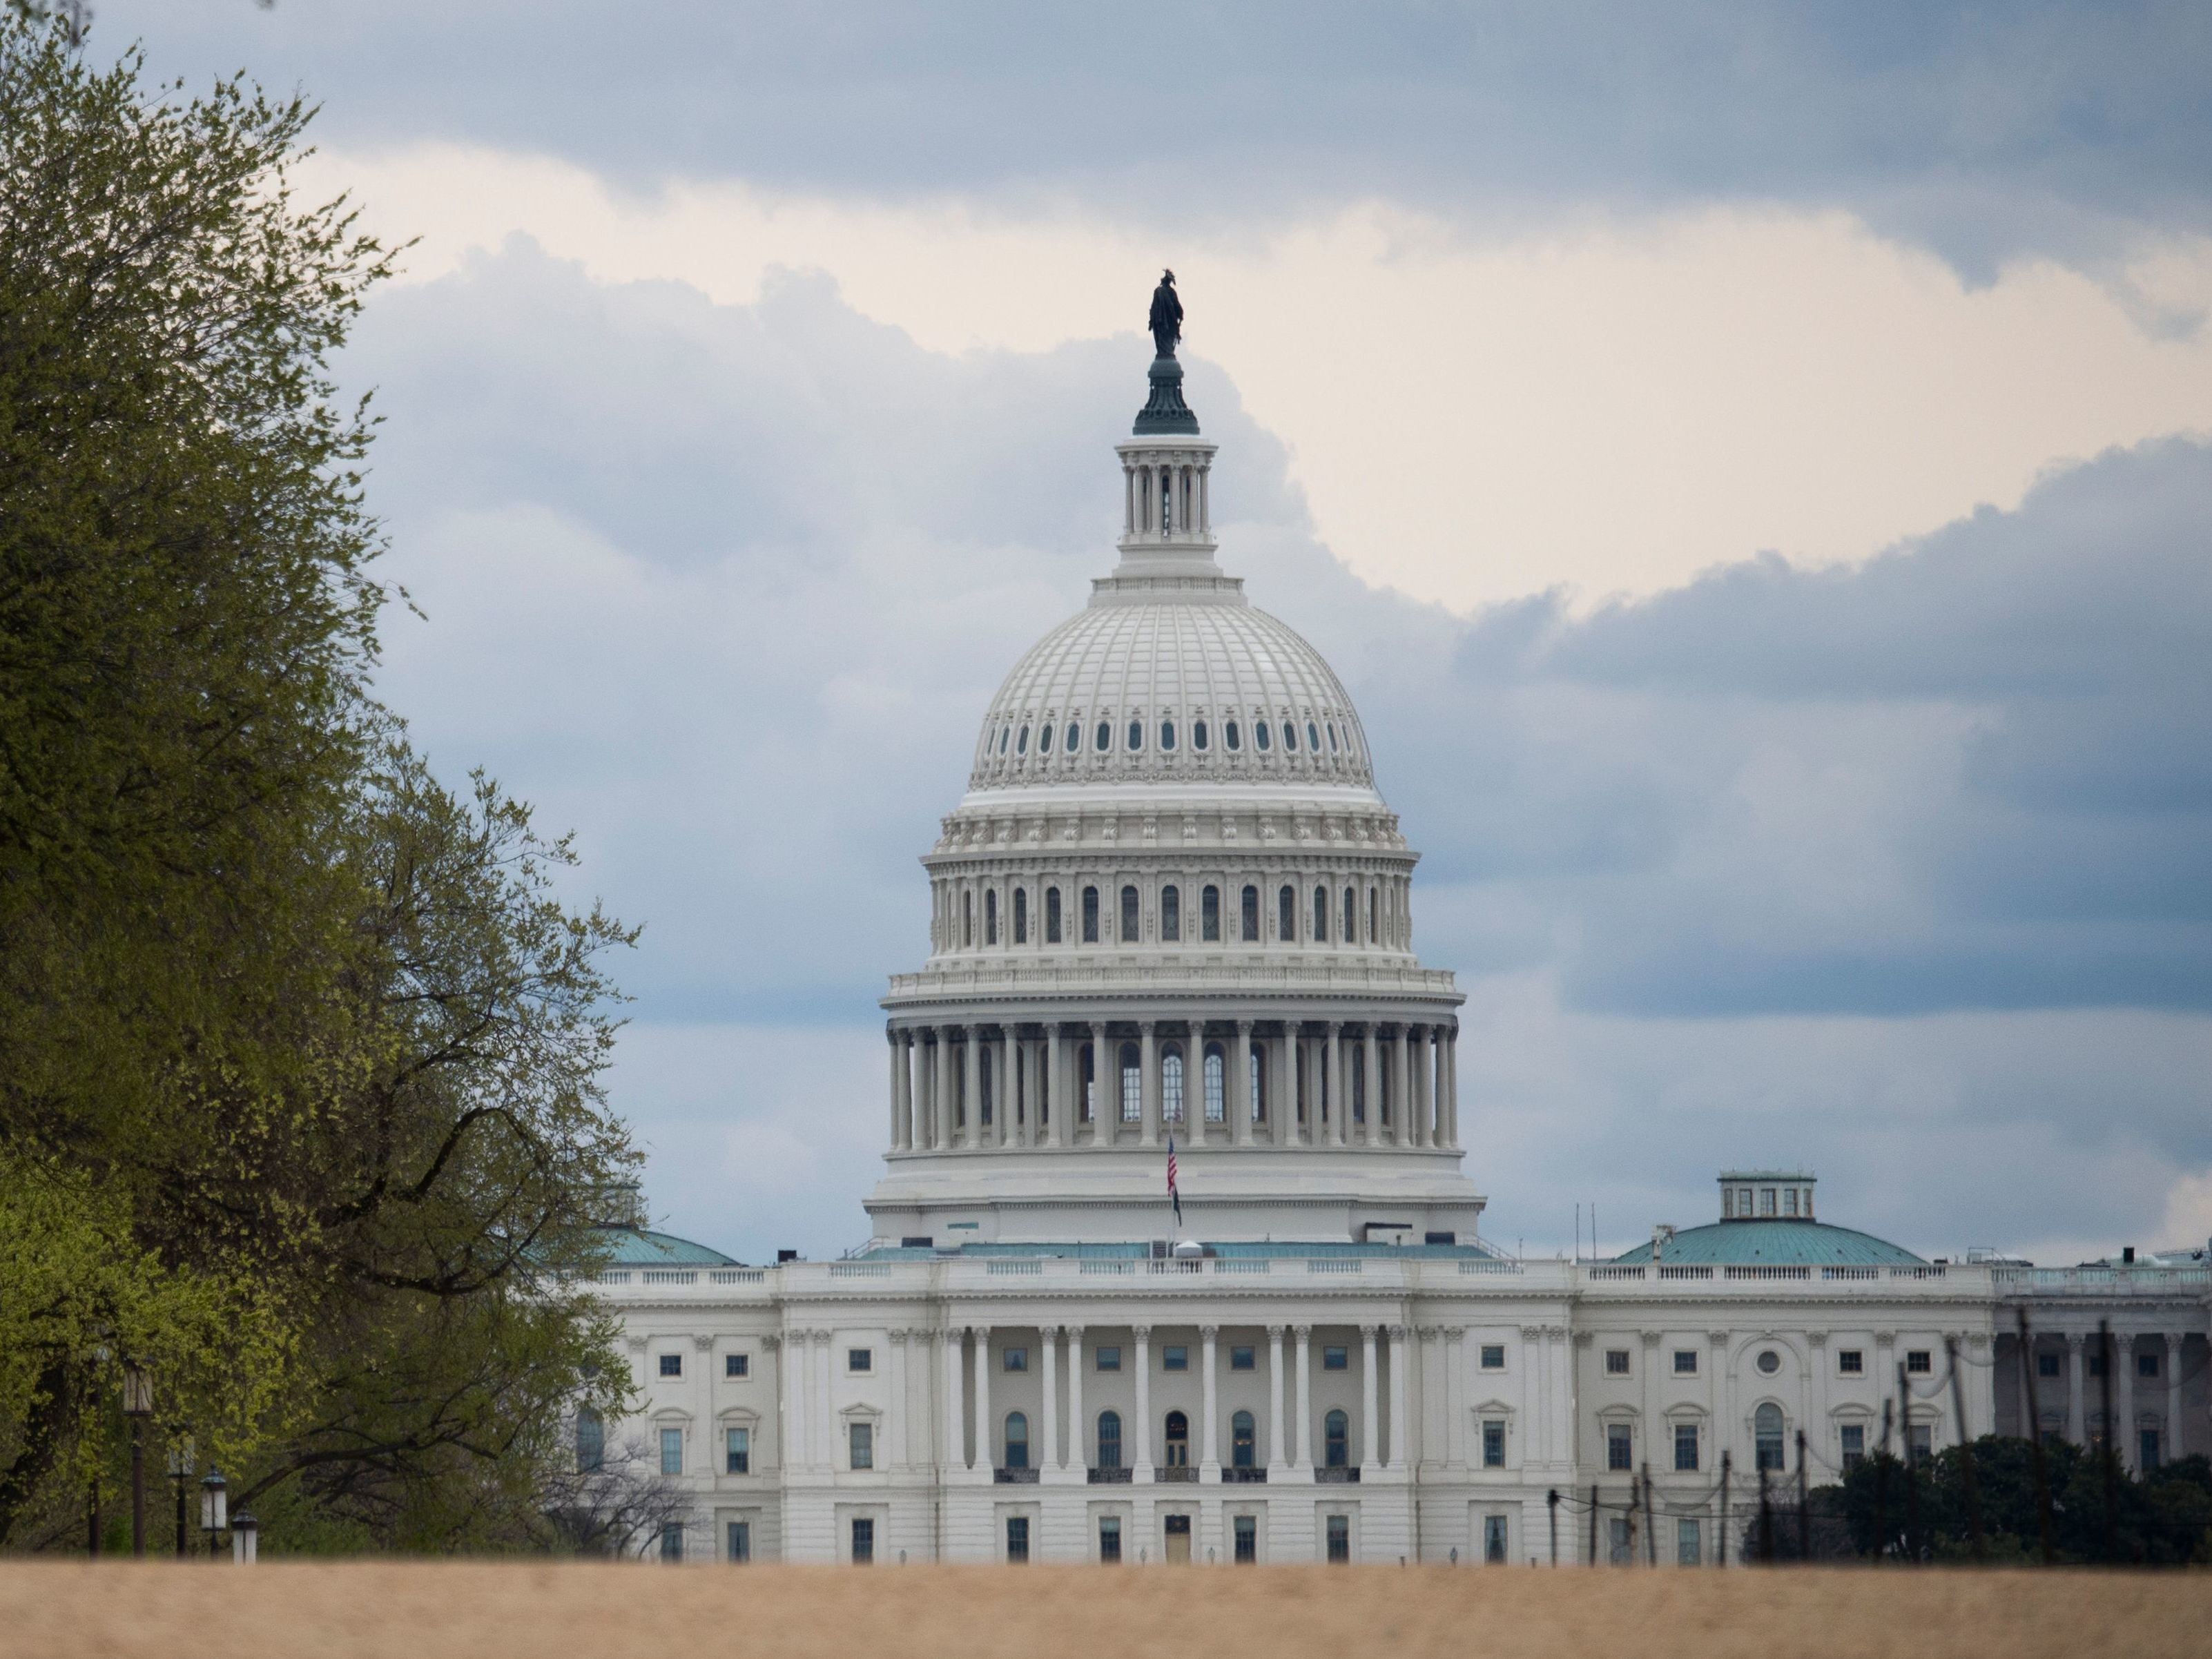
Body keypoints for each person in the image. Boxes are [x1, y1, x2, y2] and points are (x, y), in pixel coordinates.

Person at [1148, 269, 1183, 358]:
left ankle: (1166, 353)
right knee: (1164, 339)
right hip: (1163, 322)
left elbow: (1154, 308)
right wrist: (1180, 313)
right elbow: (1154, 307)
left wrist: (1152, 320)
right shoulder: (1162, 292)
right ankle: (1165, 353)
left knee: (1165, 338)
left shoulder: (1165, 292)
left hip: (1165, 323)